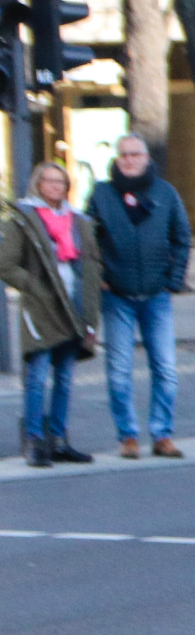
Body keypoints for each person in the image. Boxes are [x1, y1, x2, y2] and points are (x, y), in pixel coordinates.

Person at [86, 134, 190, 459]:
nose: (130, 160)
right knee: (118, 369)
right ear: (117, 160)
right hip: (117, 295)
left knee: (165, 368)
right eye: (124, 155)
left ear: (146, 158)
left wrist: (173, 280)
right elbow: (88, 240)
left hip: (156, 294)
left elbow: (182, 238)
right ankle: (127, 436)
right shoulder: (102, 193)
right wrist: (100, 277)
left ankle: (162, 434)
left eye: (136, 154)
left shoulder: (165, 192)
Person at [0, 161, 102, 466]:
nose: (56, 187)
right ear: (38, 184)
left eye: (61, 182)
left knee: (66, 378)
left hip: (74, 307)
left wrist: (91, 314)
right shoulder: (23, 220)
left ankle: (58, 439)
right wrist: (35, 288)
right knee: (38, 376)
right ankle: (34, 441)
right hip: (43, 308)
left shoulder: (78, 221)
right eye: (50, 181)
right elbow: (6, 265)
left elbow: (92, 265)